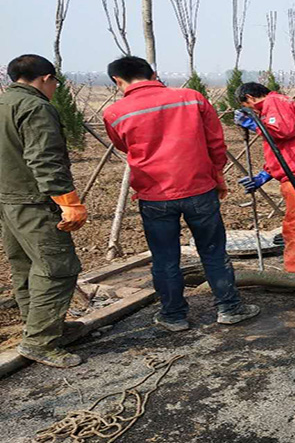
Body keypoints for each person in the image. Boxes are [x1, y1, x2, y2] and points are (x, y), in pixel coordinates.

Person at [103, 56, 259, 331]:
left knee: (164, 258)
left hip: (155, 196)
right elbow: (215, 142)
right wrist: (217, 174)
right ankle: (230, 308)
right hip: (199, 189)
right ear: (153, 73)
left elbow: (125, 146)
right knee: (212, 251)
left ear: (117, 80)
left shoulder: (115, 112)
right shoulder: (191, 98)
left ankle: (173, 315)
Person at [0, 54, 87, 368]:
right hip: (34, 202)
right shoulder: (35, 107)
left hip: (8, 201)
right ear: (46, 79)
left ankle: (40, 326)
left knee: (25, 265)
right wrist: (70, 203)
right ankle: (40, 341)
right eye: (54, 83)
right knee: (57, 267)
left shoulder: (4, 104)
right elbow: (45, 161)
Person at [233, 82, 295, 276]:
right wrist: (264, 175)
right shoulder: (285, 103)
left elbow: (282, 131)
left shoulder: (274, 101)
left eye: (246, 107)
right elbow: (287, 148)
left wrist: (254, 124)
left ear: (249, 98)